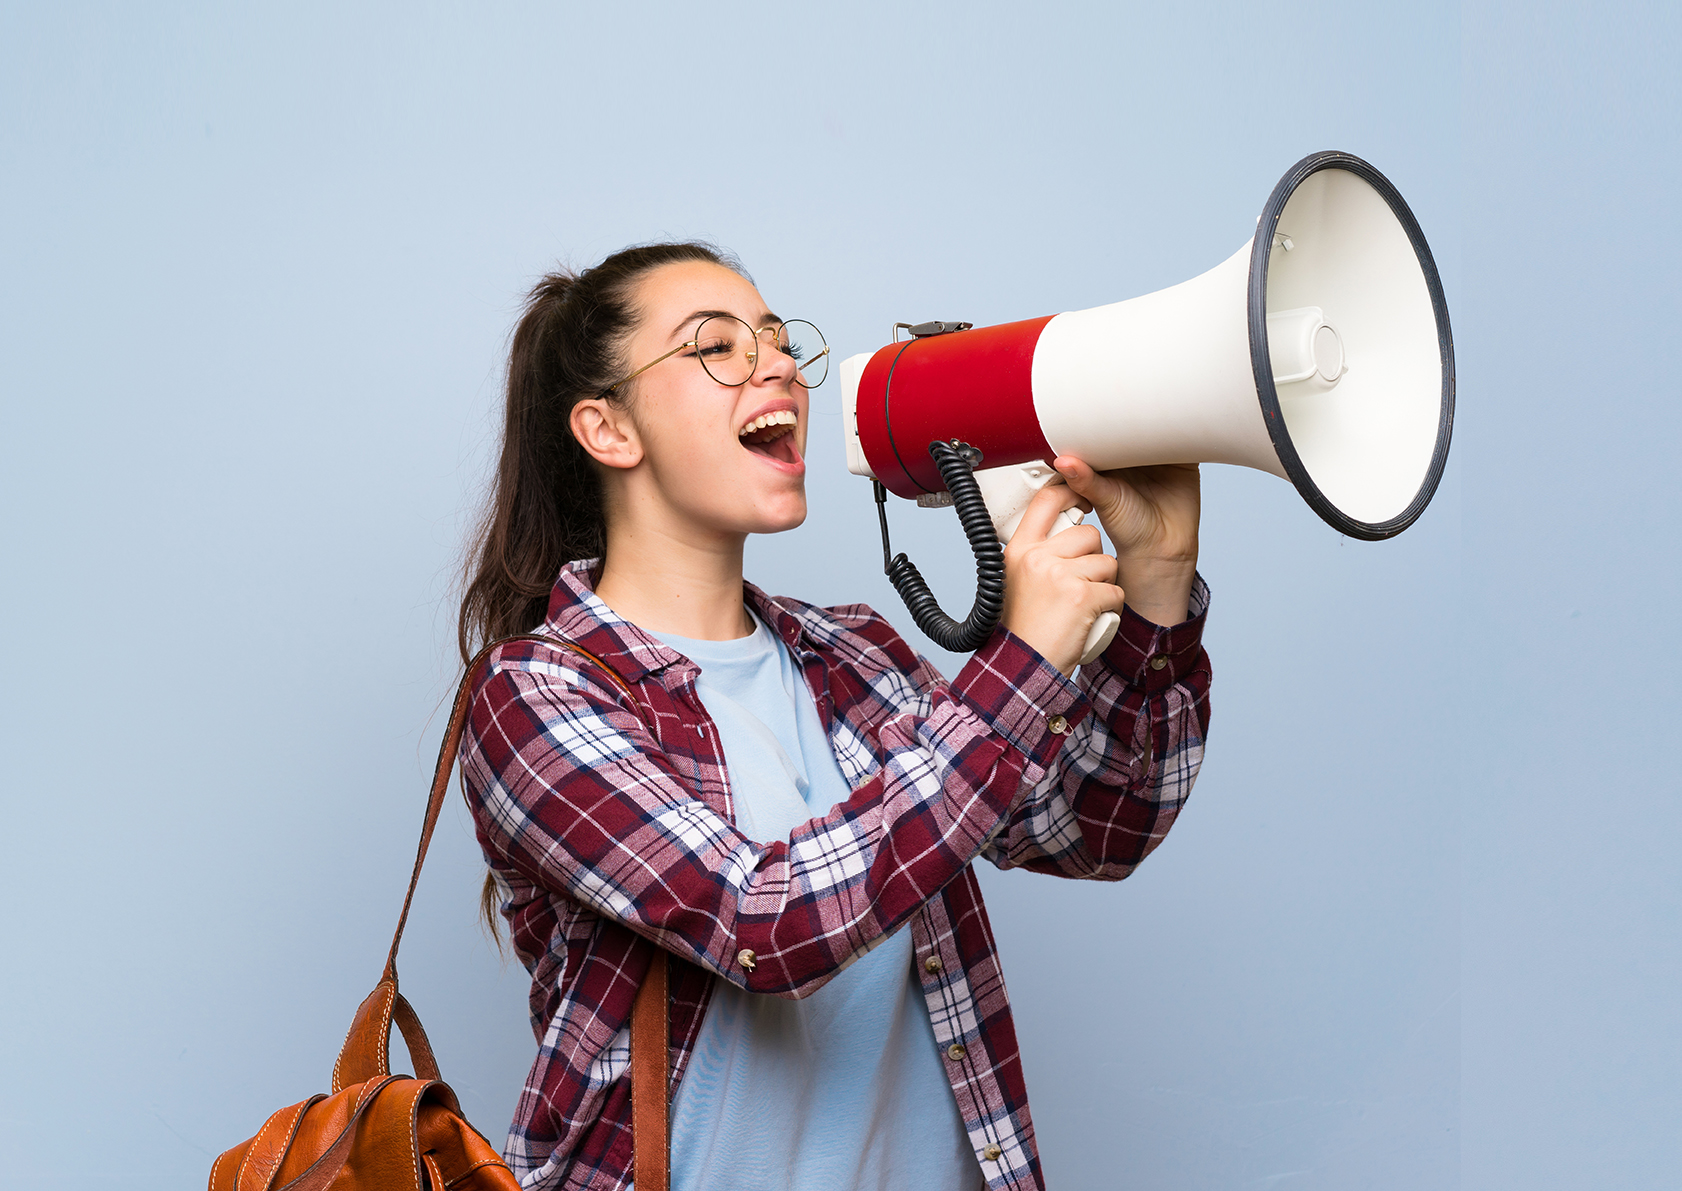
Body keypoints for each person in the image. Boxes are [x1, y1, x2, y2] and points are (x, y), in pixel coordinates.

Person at [456, 241, 1212, 1191]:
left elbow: (1097, 828)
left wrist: (1155, 584)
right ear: (607, 430)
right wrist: (1019, 664)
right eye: (715, 348)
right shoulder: (536, 695)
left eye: (776, 338)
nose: (774, 363)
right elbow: (762, 921)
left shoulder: (853, 657)